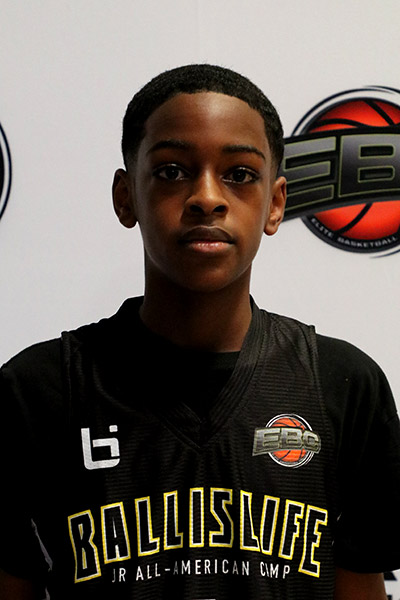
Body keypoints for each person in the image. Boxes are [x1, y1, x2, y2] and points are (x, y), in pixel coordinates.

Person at [1, 64, 399, 600]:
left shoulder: (343, 386)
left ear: (275, 203)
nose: (207, 197)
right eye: (171, 171)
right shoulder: (37, 392)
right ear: (125, 196)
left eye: (240, 174)